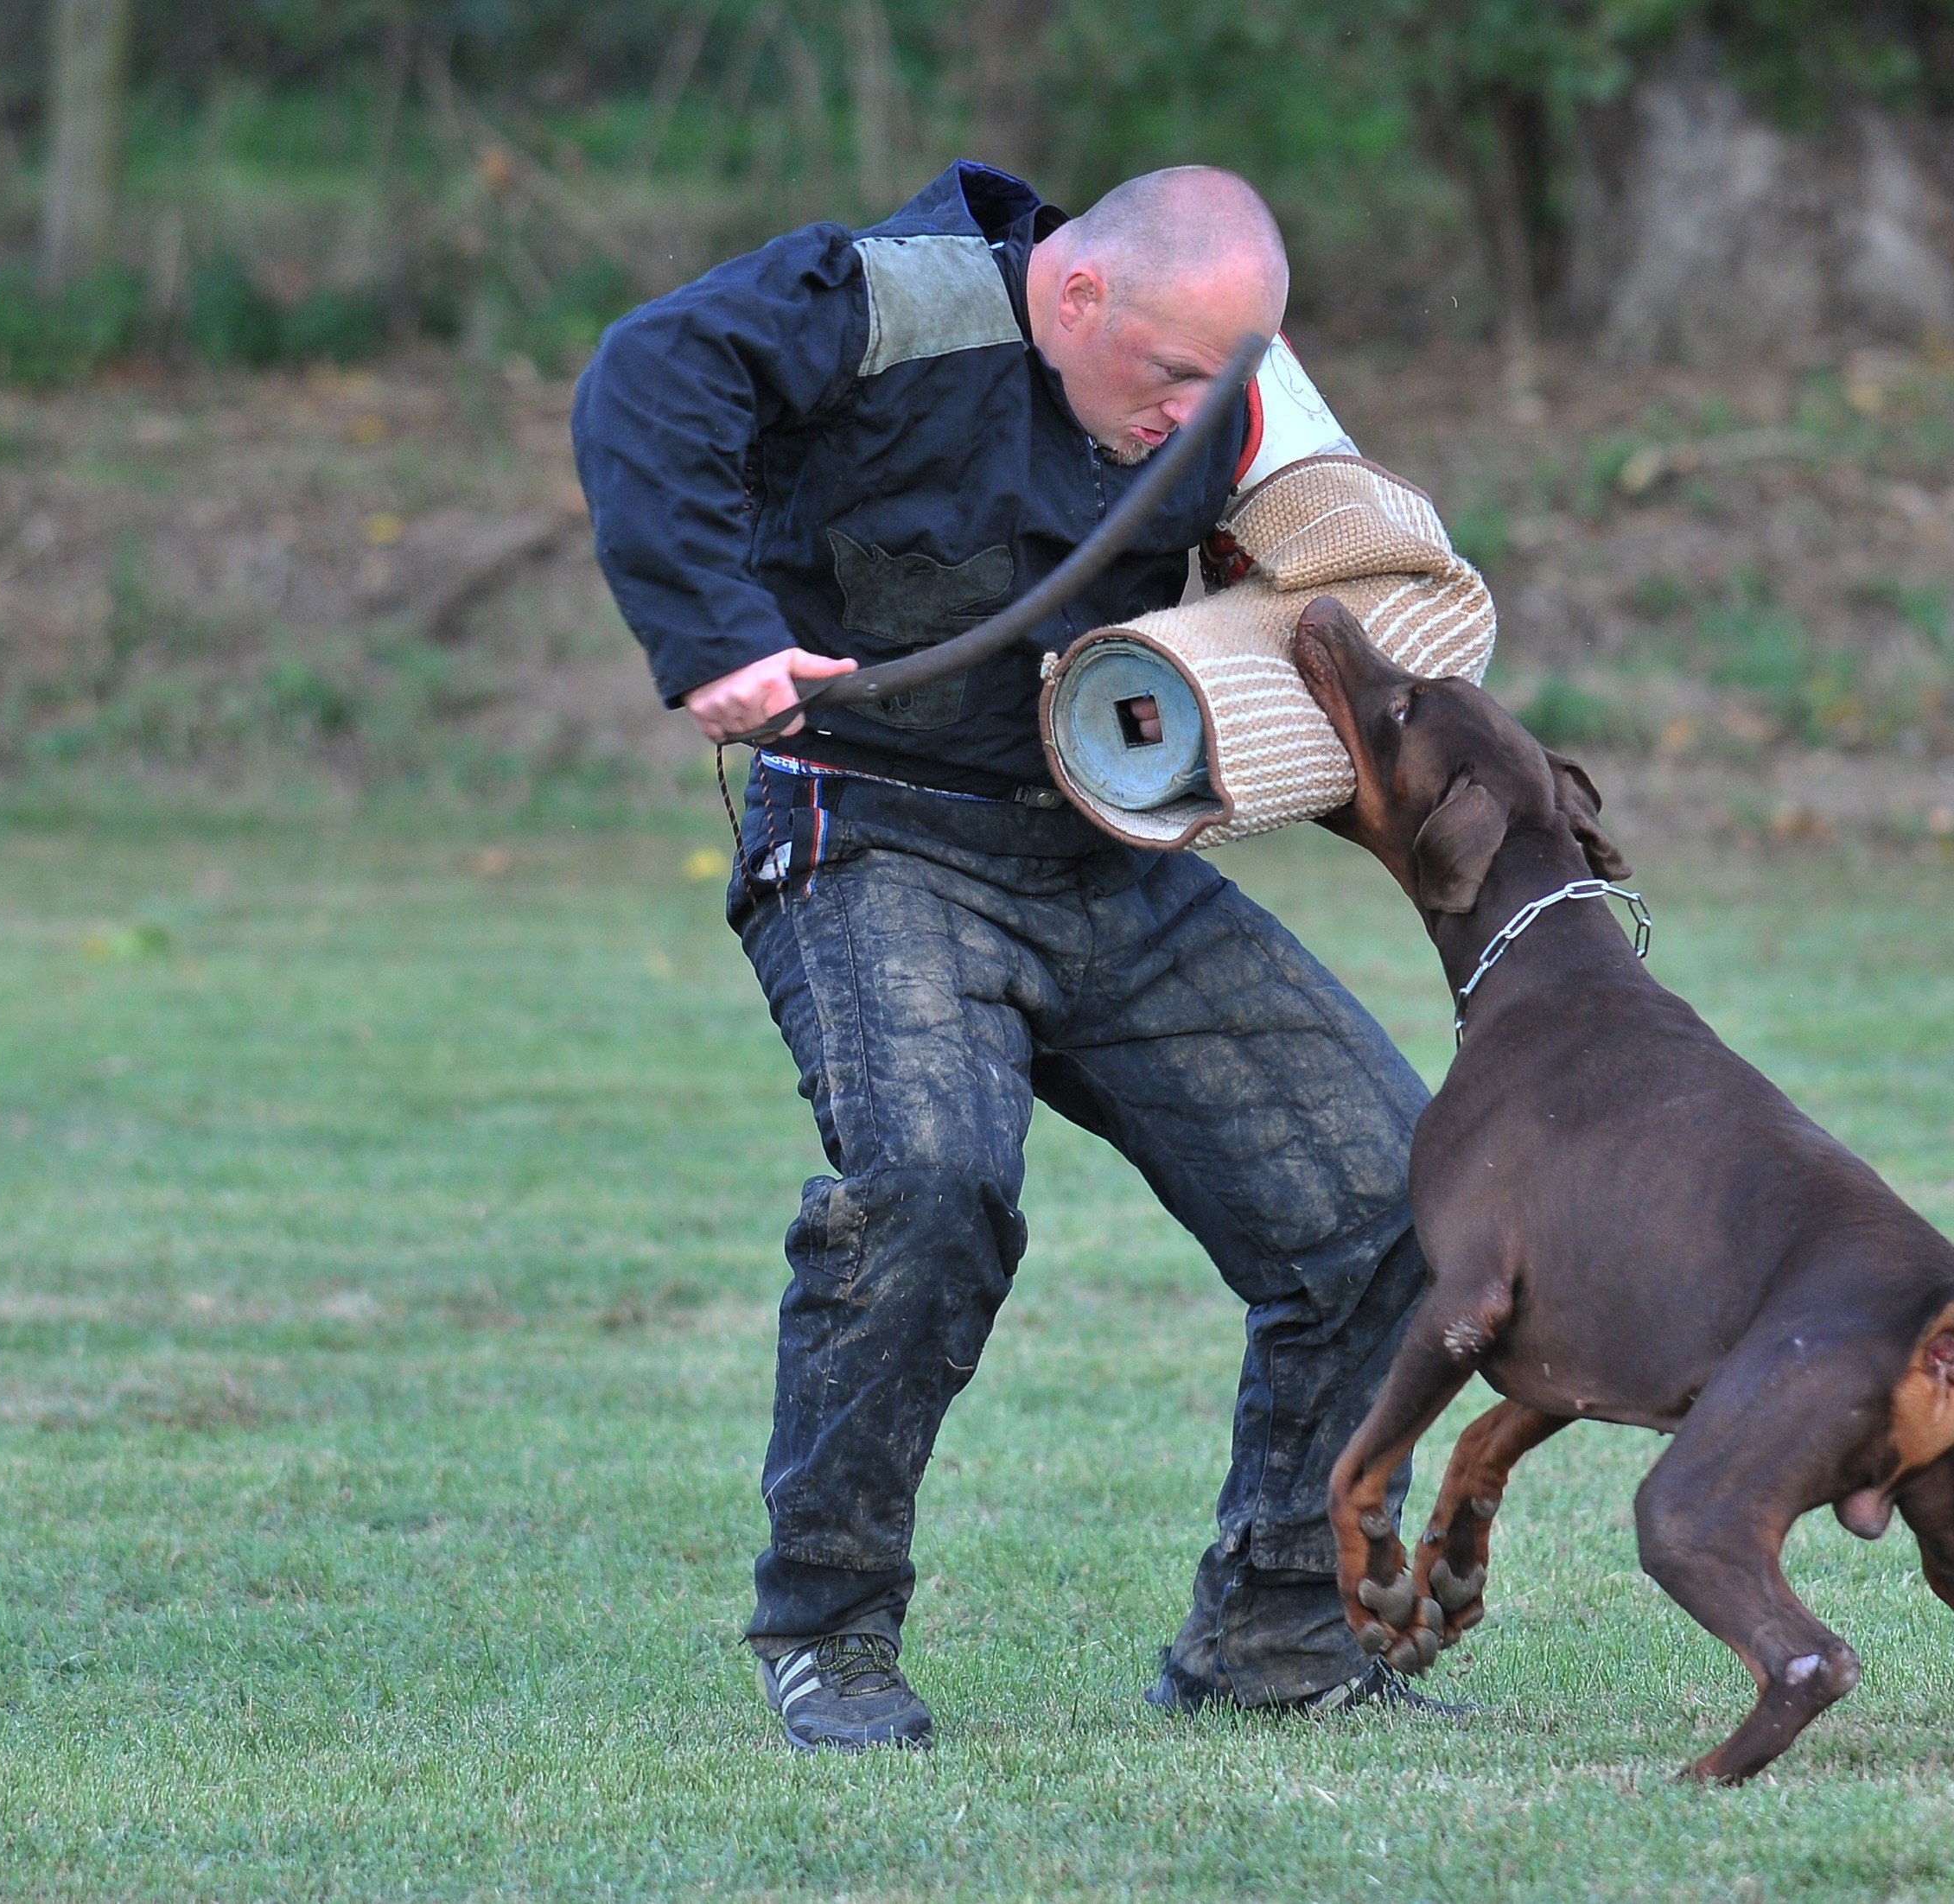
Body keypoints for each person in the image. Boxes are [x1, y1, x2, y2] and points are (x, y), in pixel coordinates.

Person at [570, 162, 1437, 1752]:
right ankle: (824, 1633)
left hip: (1104, 849)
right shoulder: (885, 302)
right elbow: (648, 374)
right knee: (930, 1187)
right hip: (871, 831)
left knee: (1385, 1196)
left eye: (1226, 383)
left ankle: (1275, 1630)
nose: (1198, 416)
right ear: (1080, 295)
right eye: (1171, 379)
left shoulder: (1234, 379)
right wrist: (712, 635)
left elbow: (1364, 566)